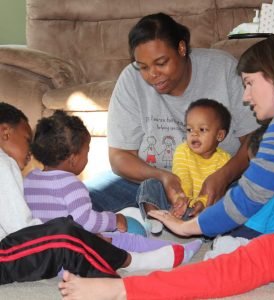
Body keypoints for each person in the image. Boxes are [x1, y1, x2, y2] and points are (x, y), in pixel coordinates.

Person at [58, 35, 274, 300]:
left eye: (249, 83)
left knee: (244, 264)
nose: (246, 95)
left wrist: (190, 227)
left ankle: (122, 290)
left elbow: (251, 197)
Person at [0, 102, 201, 285]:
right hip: (29, 255)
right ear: (5, 132)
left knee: (78, 232)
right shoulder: (7, 164)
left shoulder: (30, 179)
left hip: (34, 255)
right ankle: (151, 256)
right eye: (27, 138)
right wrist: (103, 226)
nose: (29, 146)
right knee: (107, 237)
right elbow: (24, 229)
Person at [85, 12, 259, 213]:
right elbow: (119, 156)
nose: (152, 74)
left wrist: (224, 177)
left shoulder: (223, 69)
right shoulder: (130, 79)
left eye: (161, 63)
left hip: (221, 181)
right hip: (154, 180)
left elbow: (254, 140)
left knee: (264, 203)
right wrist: (164, 177)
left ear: (182, 48)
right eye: (143, 67)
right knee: (79, 199)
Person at [24, 110, 202, 254]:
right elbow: (88, 222)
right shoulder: (72, 185)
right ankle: (172, 252)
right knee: (124, 241)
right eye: (87, 151)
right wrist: (114, 219)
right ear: (72, 159)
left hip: (39, 250)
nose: (88, 156)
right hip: (69, 250)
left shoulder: (29, 180)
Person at [138, 99, 232, 234]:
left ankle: (201, 231)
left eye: (202, 129)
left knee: (230, 195)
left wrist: (202, 203)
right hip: (175, 205)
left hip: (202, 211)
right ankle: (155, 220)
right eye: (189, 129)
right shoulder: (182, 150)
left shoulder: (225, 160)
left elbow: (217, 191)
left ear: (219, 135)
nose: (194, 133)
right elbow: (182, 176)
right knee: (149, 184)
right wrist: (180, 200)